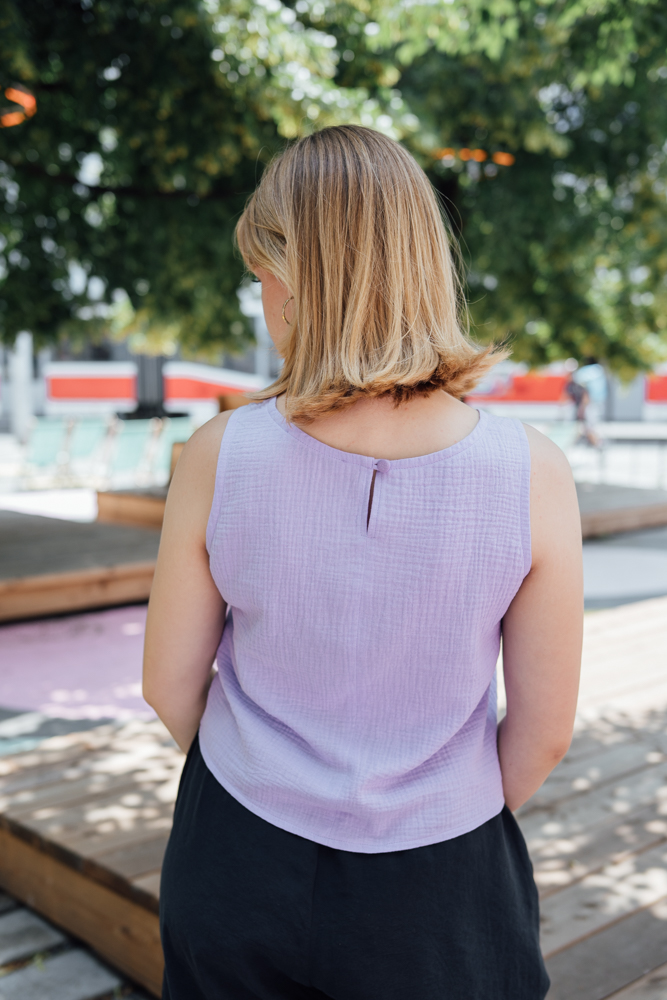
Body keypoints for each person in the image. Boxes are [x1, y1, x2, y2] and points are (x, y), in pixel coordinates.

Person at [143, 125, 583, 1000]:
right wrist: (432, 814)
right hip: (442, 879)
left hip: (235, 852)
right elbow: (543, 733)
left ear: (298, 276)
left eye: (260, 274)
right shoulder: (531, 470)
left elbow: (166, 683)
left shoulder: (219, 453)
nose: (260, 298)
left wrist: (266, 787)